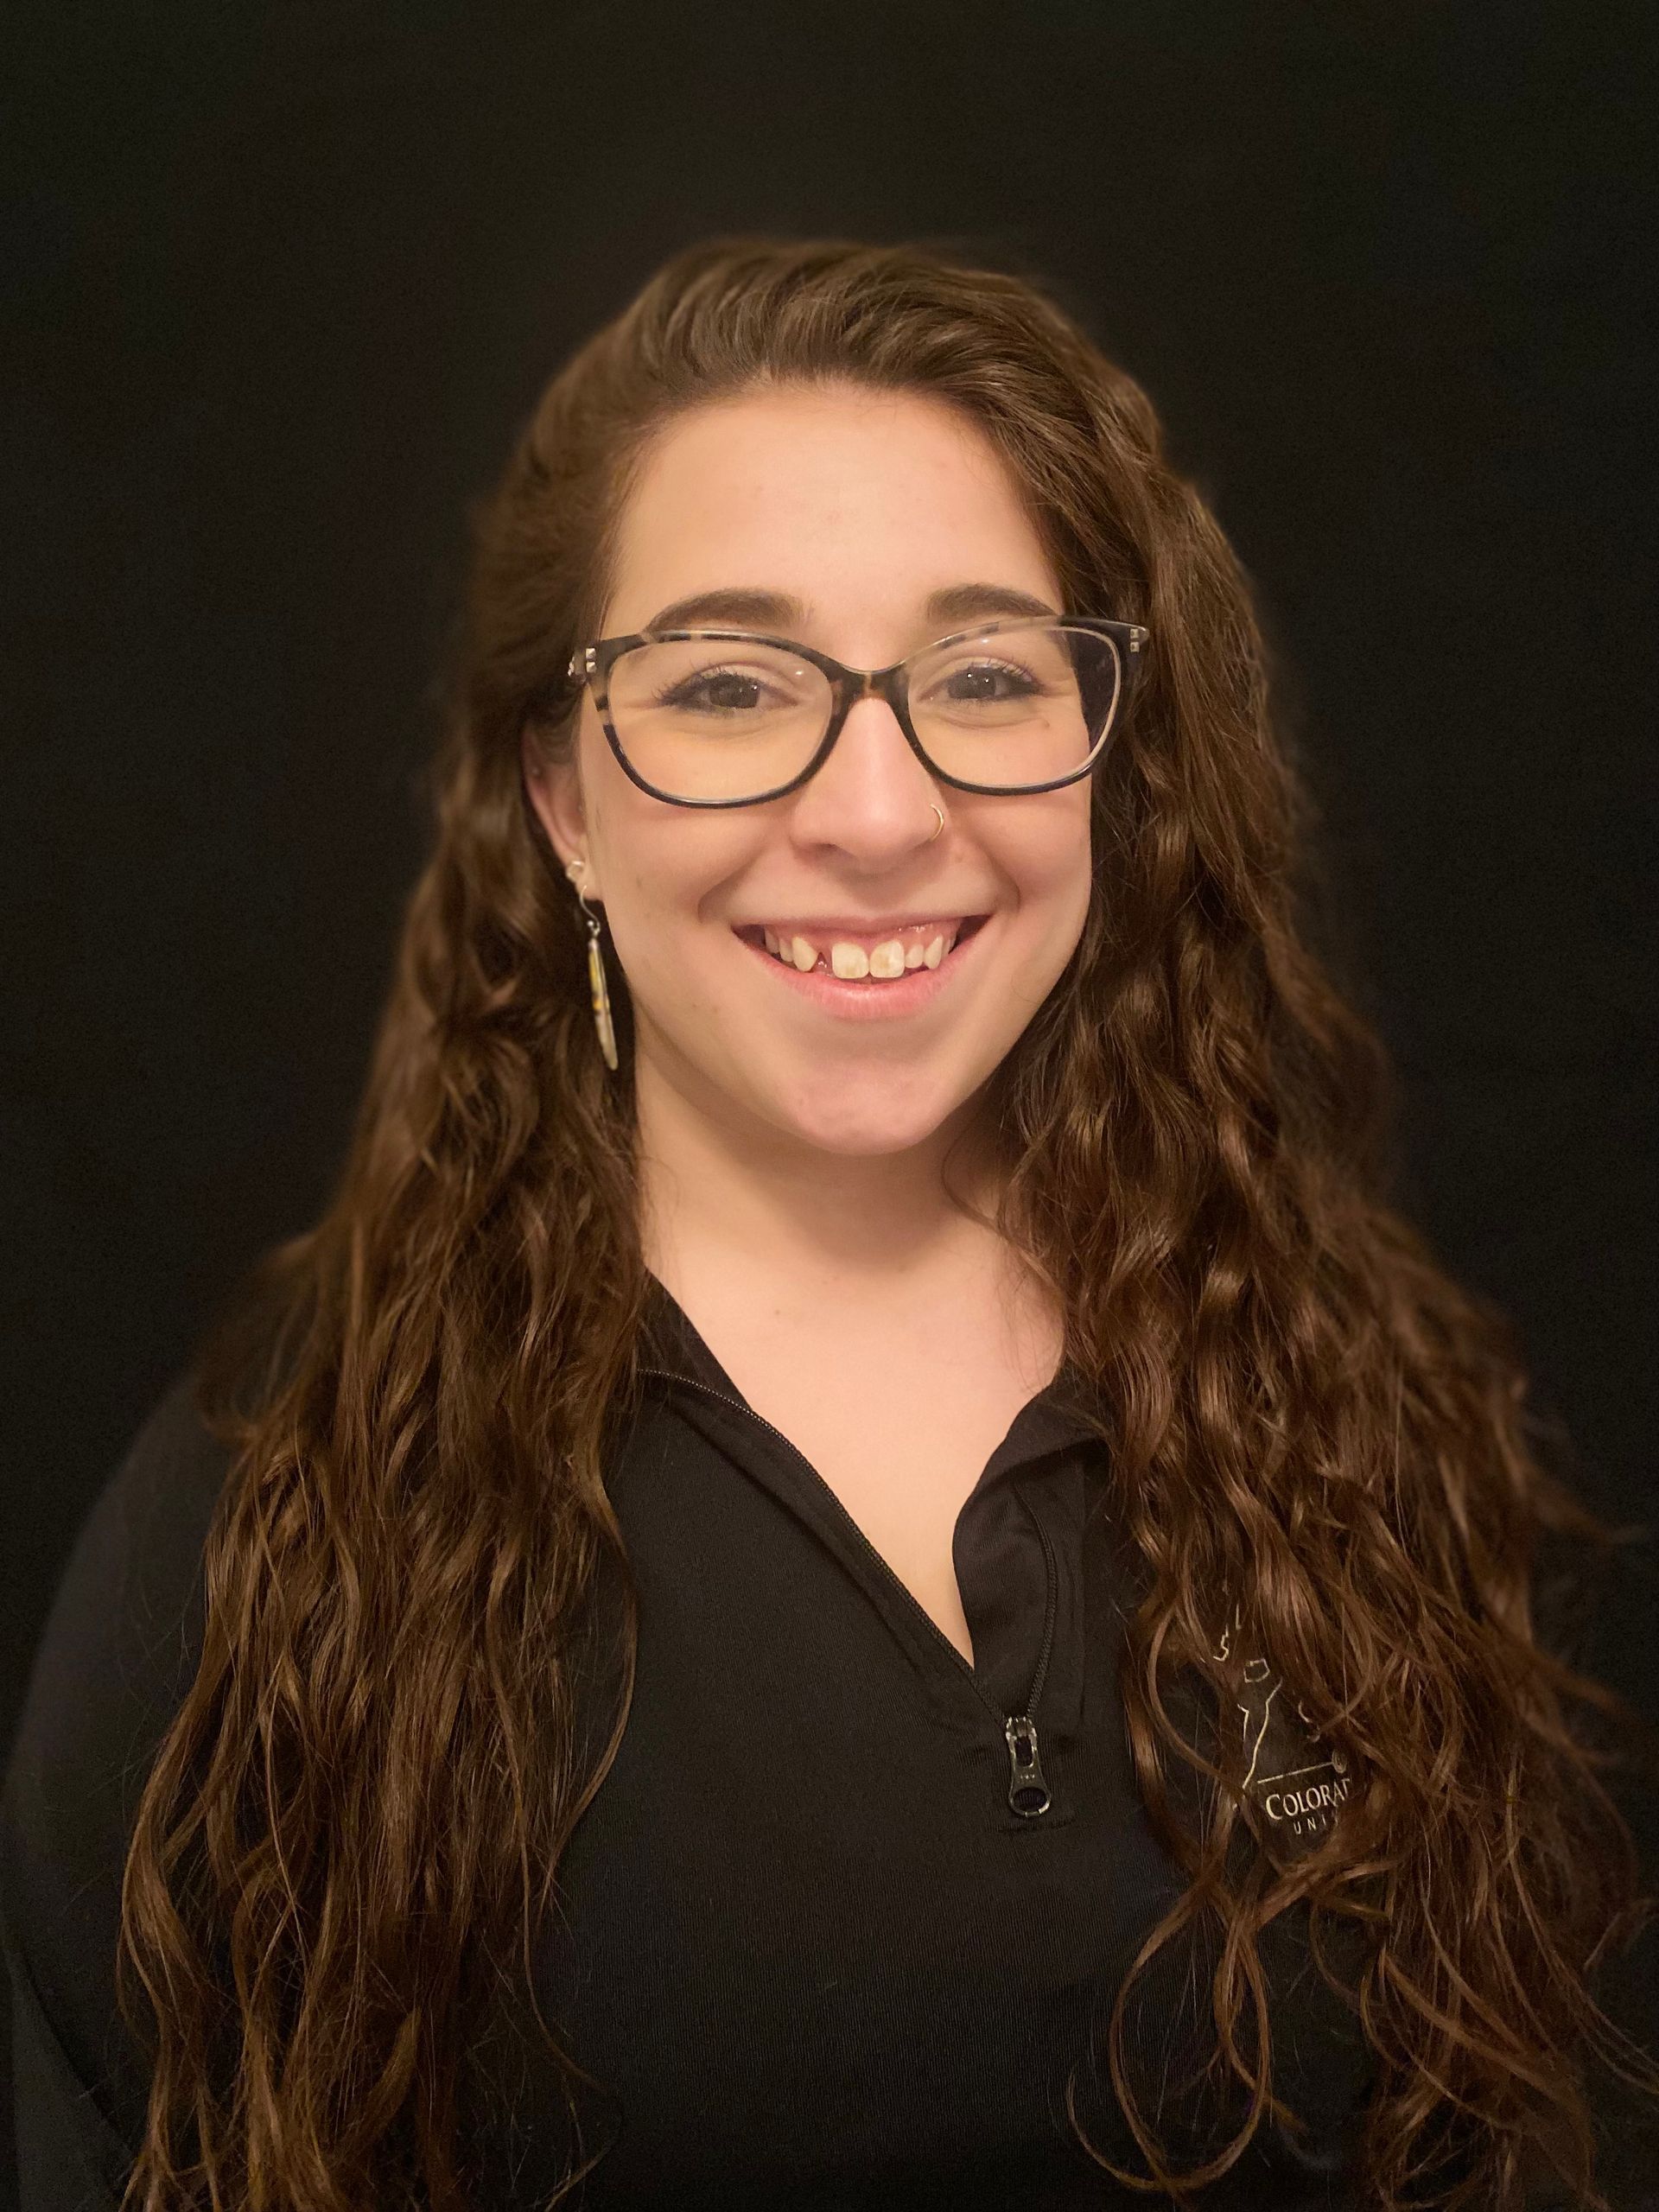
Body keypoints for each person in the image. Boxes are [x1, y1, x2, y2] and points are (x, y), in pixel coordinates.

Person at [3, 234, 1656, 2212]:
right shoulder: (270, 1515)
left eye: (980, 673)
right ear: (565, 800)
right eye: (725, 682)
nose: (877, 810)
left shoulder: (1352, 1394)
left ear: (1108, 761)